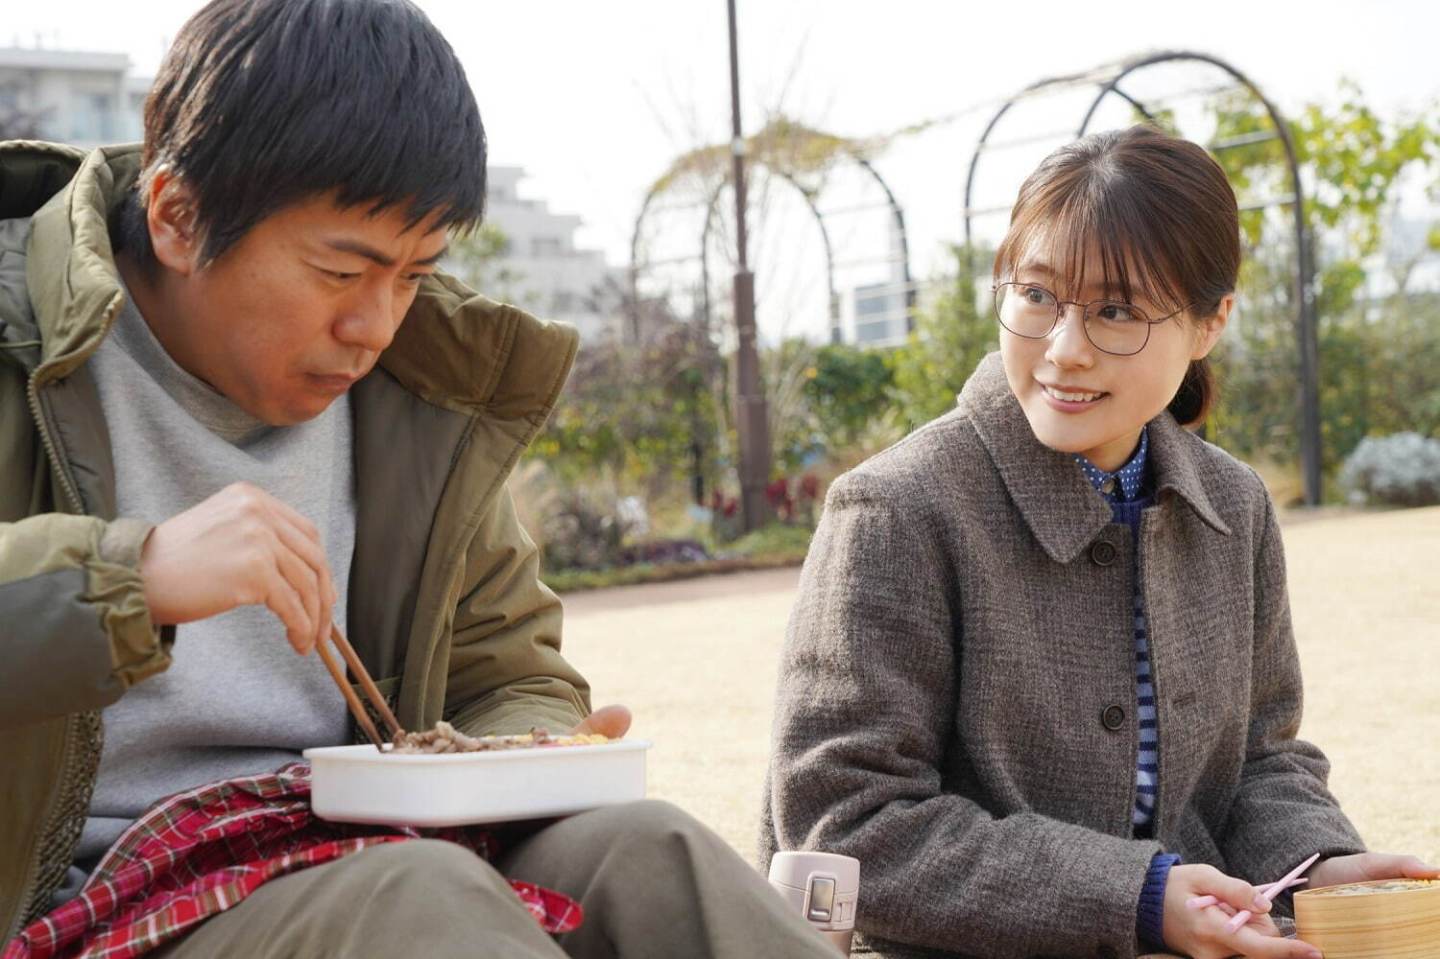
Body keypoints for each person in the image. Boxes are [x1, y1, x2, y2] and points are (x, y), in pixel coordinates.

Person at [0, 2, 835, 957]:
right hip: (91, 902)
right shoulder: (14, 319)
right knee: (419, 898)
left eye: (412, 274)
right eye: (340, 271)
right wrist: (130, 578)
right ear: (178, 217)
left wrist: (526, 747)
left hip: (360, 843)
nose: (376, 326)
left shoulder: (423, 399)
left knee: (652, 853)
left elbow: (508, 671)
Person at [760, 126, 1438, 959]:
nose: (1065, 350)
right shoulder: (896, 508)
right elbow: (845, 819)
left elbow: (1261, 760)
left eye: (1115, 311)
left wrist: (1315, 865)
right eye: (1036, 295)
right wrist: (1137, 896)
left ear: (1210, 322)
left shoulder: (1236, 506)